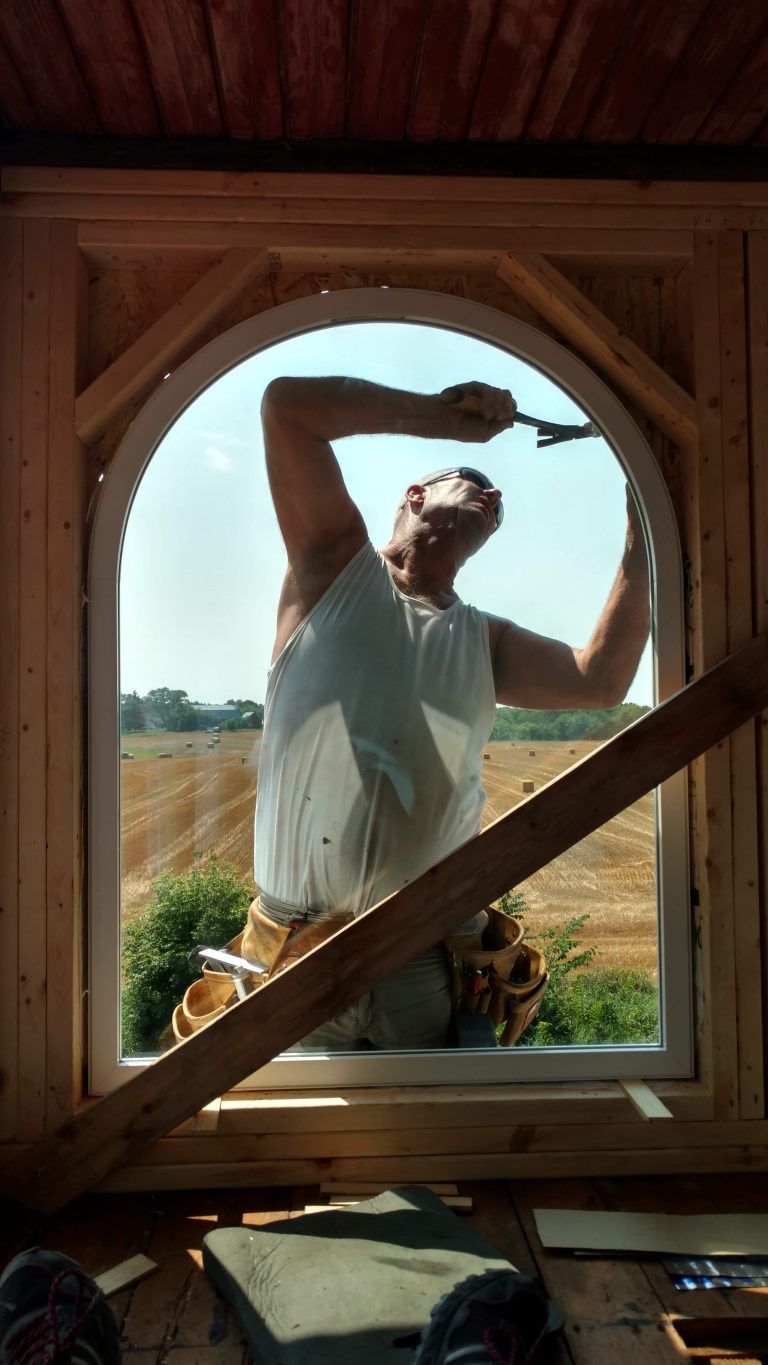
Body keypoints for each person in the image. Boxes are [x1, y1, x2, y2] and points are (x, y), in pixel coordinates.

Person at [242, 376, 649, 1052]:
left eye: (500, 503)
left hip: (421, 960)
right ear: (415, 496)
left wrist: (644, 528)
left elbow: (599, 677)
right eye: (475, 483)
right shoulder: (331, 564)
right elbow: (286, 409)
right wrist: (438, 417)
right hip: (294, 953)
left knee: (427, 1150)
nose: (494, 498)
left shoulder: (483, 640)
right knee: (285, 1149)